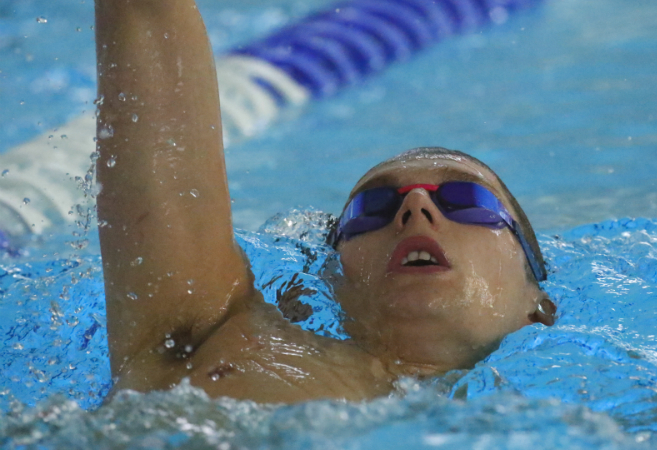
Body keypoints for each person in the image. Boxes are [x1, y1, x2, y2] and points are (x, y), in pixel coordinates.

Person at [95, 0, 556, 404]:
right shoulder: (212, 334)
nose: (415, 208)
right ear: (319, 287)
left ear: (540, 306)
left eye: (465, 198)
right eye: (370, 208)